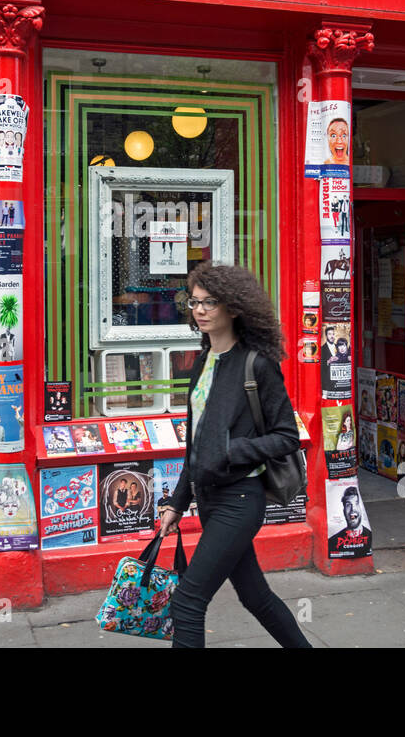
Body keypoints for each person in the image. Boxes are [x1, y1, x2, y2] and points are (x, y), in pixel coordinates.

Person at [157, 262, 311, 648]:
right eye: (194, 302)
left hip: (240, 499)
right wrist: (178, 502)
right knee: (254, 596)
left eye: (211, 302)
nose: (201, 310)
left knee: (188, 602)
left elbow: (286, 436)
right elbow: (195, 445)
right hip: (208, 500)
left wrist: (233, 450)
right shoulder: (203, 361)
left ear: (234, 307)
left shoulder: (257, 364)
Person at [328, 485, 372, 555]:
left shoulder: (369, 535)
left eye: (356, 503)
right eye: (348, 505)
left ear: (361, 508)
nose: (353, 509)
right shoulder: (333, 540)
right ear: (343, 510)